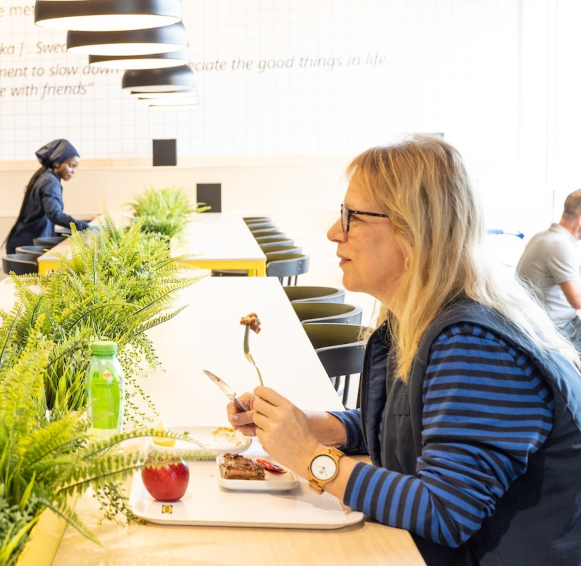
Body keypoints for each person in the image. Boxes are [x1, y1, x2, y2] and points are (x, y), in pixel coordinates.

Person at [227, 135, 581, 565]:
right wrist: (309, 426)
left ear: (414, 230)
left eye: (352, 216)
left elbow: (447, 512)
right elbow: (414, 426)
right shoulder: (425, 318)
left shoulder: (474, 346)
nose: (334, 231)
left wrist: (308, 456)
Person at [516, 189, 581, 350]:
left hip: (537, 324)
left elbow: (568, 273)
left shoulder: (543, 237)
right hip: (558, 330)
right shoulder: (560, 245)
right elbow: (577, 301)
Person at [3, 139, 88, 253]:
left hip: (25, 241)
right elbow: (55, 214)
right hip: (27, 245)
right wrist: (82, 226)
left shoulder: (47, 177)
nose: (74, 171)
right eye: (71, 166)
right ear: (57, 163)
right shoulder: (50, 182)